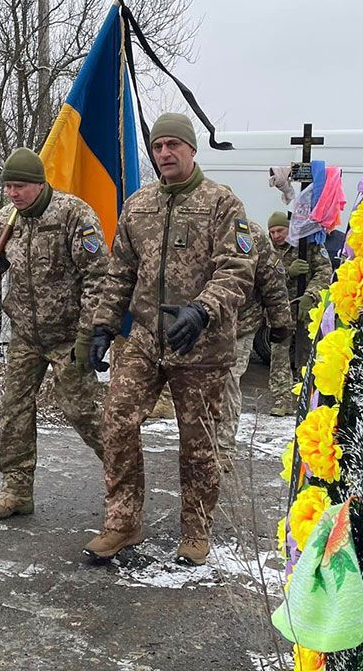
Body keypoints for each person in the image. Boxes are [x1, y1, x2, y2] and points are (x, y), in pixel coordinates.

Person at [86, 113, 255, 566]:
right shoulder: (138, 205)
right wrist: (103, 326)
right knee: (118, 420)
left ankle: (196, 530)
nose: (165, 154)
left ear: (191, 149)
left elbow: (238, 269)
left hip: (202, 344)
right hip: (144, 338)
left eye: (173, 145)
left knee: (198, 441)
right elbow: (120, 272)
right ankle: (122, 522)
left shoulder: (222, 204)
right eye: (158, 146)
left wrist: (202, 309)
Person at [0, 148, 106, 520]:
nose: (14, 193)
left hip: (68, 337)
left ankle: (123, 479)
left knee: (82, 411)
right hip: (26, 335)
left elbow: (98, 276)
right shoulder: (6, 221)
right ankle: (16, 489)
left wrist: (87, 333)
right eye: (9, 187)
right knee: (14, 409)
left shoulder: (72, 215)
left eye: (21, 186)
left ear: (40, 183)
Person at [218, 218, 292, 472]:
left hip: (241, 323)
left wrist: (280, 320)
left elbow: (272, 279)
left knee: (228, 380)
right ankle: (201, 447)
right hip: (201, 323)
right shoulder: (193, 225)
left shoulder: (250, 233)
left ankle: (223, 450)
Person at [266, 211, 332, 416]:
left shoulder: (307, 245)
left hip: (306, 311)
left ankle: (307, 399)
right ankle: (282, 400)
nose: (276, 236)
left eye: (280, 230)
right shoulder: (267, 250)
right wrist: (287, 273)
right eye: (272, 232)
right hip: (280, 310)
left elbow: (324, 271)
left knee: (307, 355)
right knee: (279, 356)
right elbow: (263, 278)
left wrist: (310, 296)